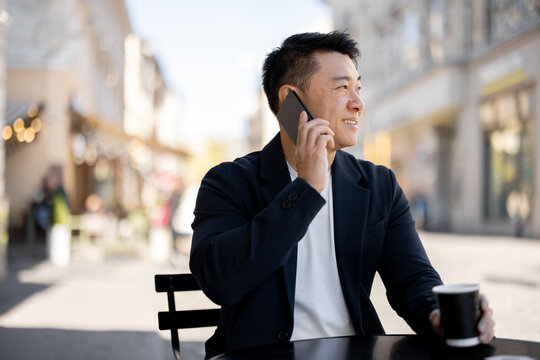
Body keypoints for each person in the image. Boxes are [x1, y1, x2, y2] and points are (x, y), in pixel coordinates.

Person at [190, 31, 494, 358]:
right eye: (342, 87)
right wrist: (304, 190)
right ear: (290, 100)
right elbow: (220, 279)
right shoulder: (229, 182)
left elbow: (413, 279)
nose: (358, 103)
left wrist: (438, 315)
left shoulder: (379, 186)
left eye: (358, 88)